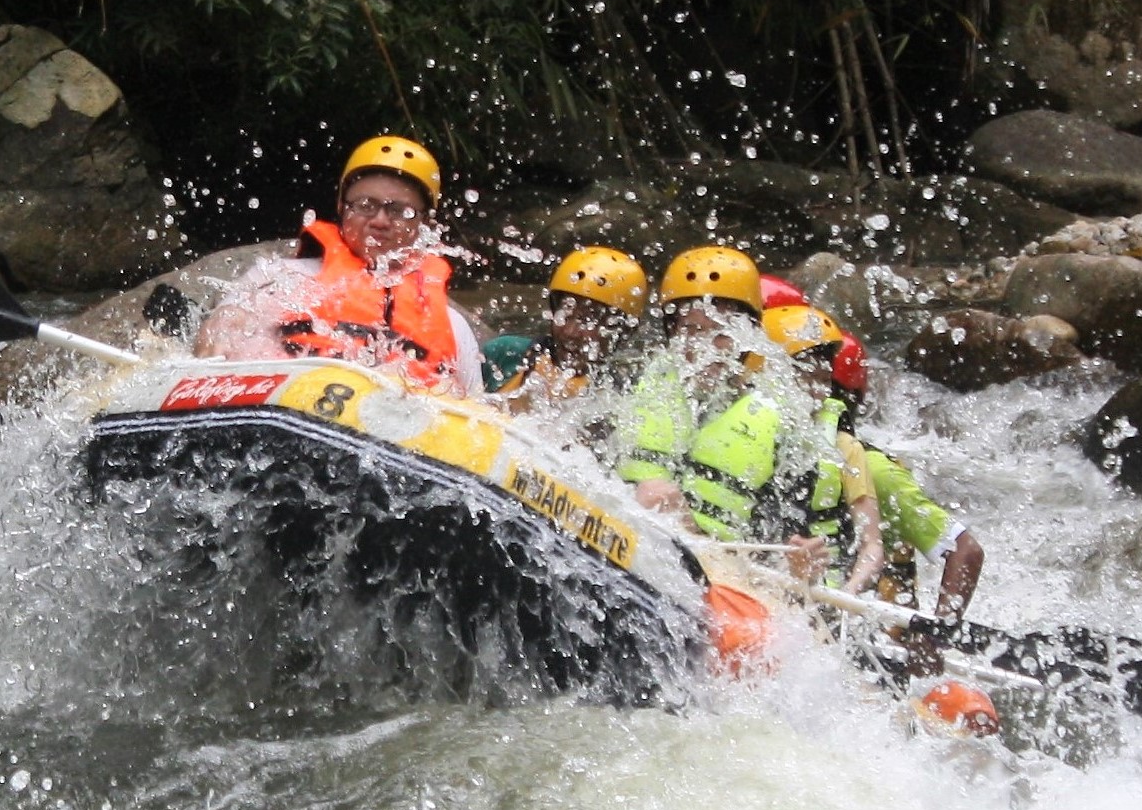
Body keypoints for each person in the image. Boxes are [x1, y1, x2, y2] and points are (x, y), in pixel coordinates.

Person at [197, 134, 486, 397]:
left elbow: (479, 419)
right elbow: (218, 341)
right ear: (341, 207)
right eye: (365, 205)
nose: (380, 221)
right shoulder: (282, 278)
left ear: (425, 224)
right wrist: (222, 325)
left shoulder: (454, 327)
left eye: (400, 211)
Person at [613, 246, 836, 577]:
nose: (704, 347)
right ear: (670, 333)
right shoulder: (632, 382)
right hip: (620, 543)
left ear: (746, 337)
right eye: (691, 330)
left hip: (717, 574)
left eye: (721, 333)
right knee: (654, 493)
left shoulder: (782, 423)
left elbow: (782, 542)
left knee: (659, 495)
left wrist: (800, 563)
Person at [768, 311, 985, 625]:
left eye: (819, 381)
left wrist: (936, 633)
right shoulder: (772, 448)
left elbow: (966, 550)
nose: (815, 393)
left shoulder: (872, 467)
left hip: (871, 628)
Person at [490, 246, 649, 408]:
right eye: (565, 314)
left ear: (623, 331)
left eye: (587, 321)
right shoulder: (506, 354)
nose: (570, 332)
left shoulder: (615, 400)